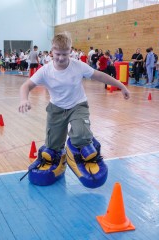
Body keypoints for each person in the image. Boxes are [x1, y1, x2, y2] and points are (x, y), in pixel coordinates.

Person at [18, 32, 130, 188]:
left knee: (82, 136)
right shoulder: (46, 70)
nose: (61, 58)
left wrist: (121, 85)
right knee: (52, 147)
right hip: (56, 108)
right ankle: (61, 157)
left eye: (65, 54)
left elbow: (100, 76)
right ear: (52, 51)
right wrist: (24, 99)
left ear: (70, 51)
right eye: (58, 54)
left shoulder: (78, 66)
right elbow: (26, 86)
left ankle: (81, 144)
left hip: (78, 105)